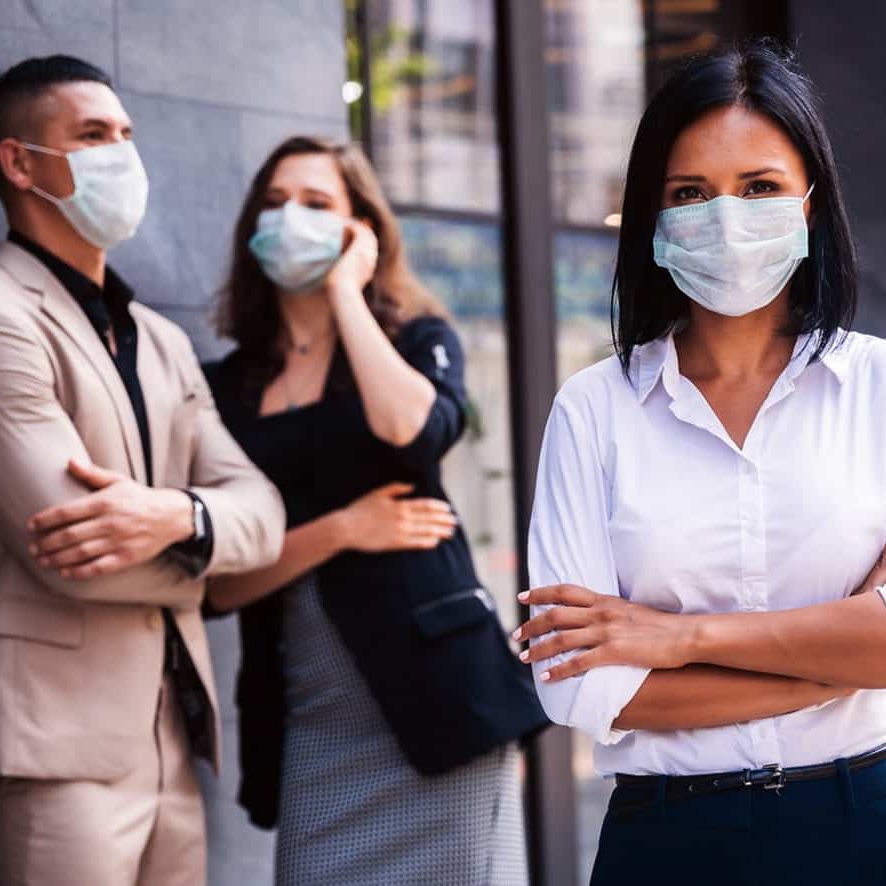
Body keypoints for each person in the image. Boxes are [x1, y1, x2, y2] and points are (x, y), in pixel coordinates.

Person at [516, 41, 886, 885]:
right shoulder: (594, 407)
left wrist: (675, 640)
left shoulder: (878, 389)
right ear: (652, 217)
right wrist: (838, 656)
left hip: (866, 819)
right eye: (690, 193)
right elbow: (578, 689)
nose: (725, 216)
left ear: (811, 206)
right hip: (668, 839)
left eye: (759, 188)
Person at [203, 135, 548, 885]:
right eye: (275, 202)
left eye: (317, 203)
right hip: (312, 716)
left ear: (361, 228)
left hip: (442, 698)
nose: (290, 217)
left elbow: (410, 431)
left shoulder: (417, 339)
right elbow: (217, 584)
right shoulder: (223, 387)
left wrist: (345, 294)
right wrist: (345, 529)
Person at [0, 56, 285, 886]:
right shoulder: (8, 317)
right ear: (19, 162)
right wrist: (209, 552)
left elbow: (261, 516)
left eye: (125, 133)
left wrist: (177, 521)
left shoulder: (158, 338)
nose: (121, 155)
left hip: (174, 734)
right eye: (92, 136)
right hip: (57, 748)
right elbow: (74, 557)